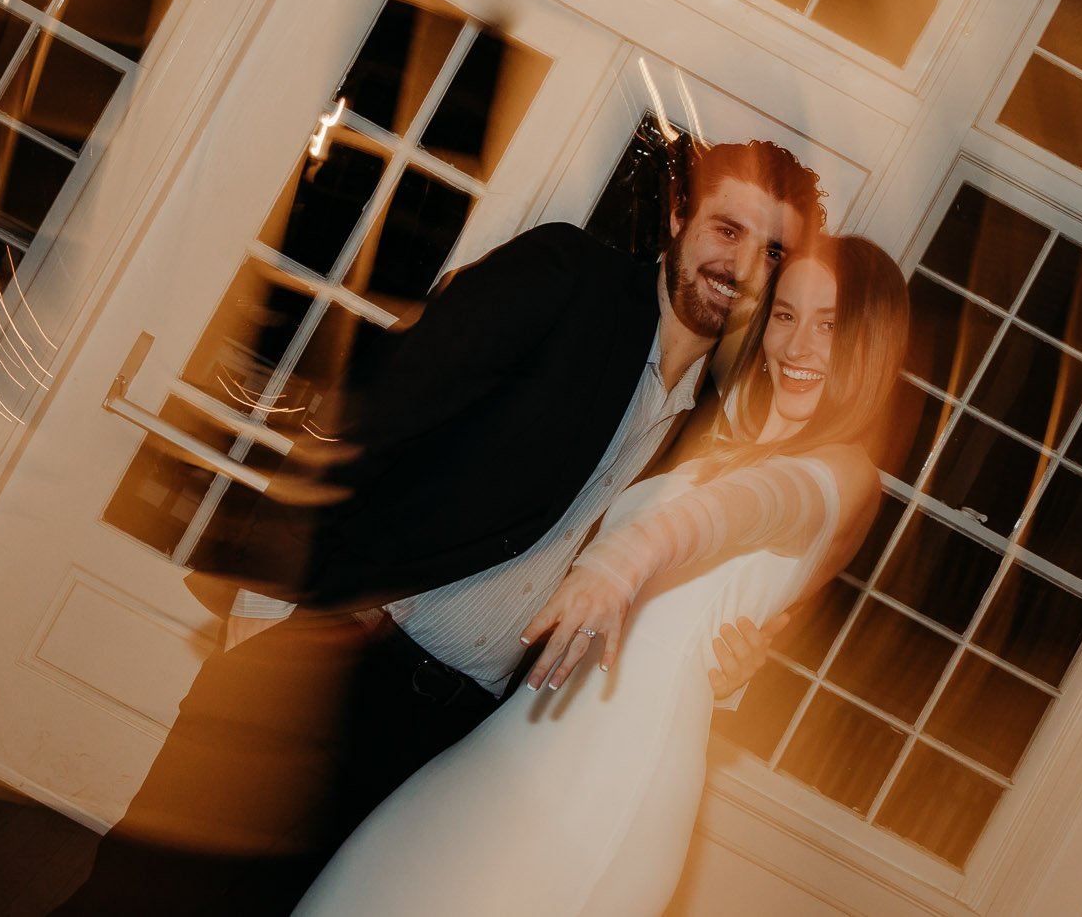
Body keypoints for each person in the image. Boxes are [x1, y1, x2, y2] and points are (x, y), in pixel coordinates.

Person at [51, 140, 825, 915]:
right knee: (145, 896)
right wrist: (264, 601)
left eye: (772, 249)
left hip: (461, 744)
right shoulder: (567, 278)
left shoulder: (715, 428)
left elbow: (654, 586)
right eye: (727, 229)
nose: (742, 263)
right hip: (337, 661)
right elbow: (371, 407)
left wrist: (720, 668)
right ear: (679, 211)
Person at [294, 234, 910, 917]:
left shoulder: (844, 474)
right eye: (787, 315)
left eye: (829, 324)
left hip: (606, 780)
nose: (797, 347)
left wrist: (621, 563)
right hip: (522, 734)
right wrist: (727, 669)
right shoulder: (735, 432)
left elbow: (732, 515)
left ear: (871, 342)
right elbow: (718, 606)